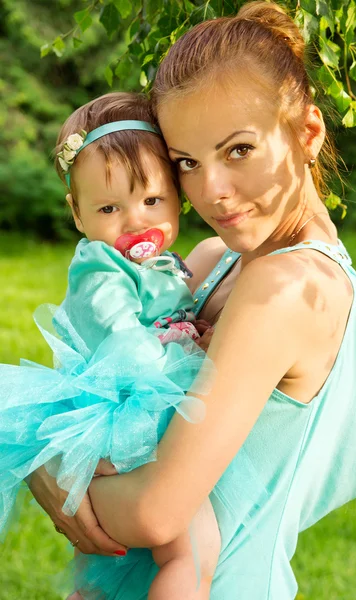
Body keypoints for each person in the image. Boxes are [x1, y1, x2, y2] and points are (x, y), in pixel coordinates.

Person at [28, 2, 356, 599]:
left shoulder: (290, 288)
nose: (212, 191)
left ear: (308, 133)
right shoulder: (220, 261)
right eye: (188, 163)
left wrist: (44, 466)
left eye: (238, 149)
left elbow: (154, 513)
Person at [0, 92, 221, 600]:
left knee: (112, 569)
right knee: (192, 546)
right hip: (126, 412)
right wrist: (187, 352)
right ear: (77, 214)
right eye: (108, 207)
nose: (135, 221)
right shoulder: (101, 268)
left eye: (152, 200)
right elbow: (124, 341)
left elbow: (169, 316)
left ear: (178, 197)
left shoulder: (165, 266)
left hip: (133, 414)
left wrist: (188, 329)